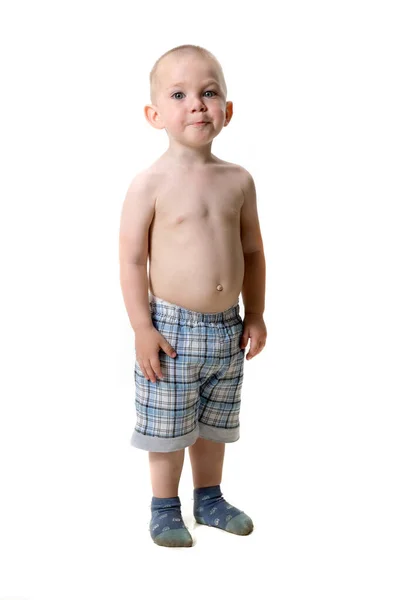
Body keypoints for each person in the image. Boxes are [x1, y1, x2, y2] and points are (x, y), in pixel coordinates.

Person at [119, 44, 267, 547]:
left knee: (214, 422)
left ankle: (210, 498)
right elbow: (133, 260)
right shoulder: (150, 184)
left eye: (209, 93)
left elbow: (252, 250)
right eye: (180, 94)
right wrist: (142, 326)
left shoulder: (238, 180)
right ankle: (164, 508)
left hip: (228, 328)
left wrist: (257, 314)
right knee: (166, 424)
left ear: (228, 110)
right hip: (172, 332)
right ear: (154, 114)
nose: (198, 104)